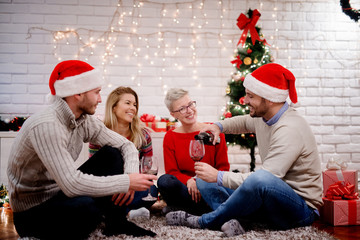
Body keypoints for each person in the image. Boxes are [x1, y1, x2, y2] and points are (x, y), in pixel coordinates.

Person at [166, 63, 323, 237]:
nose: (245, 100)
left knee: (260, 177)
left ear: (269, 98)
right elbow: (242, 122)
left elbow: (267, 178)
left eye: (250, 96)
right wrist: (218, 126)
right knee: (203, 180)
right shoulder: (265, 116)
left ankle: (204, 221)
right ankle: (233, 222)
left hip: (299, 210)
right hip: (270, 202)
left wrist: (218, 176)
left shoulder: (289, 128)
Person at [6, 60, 157, 240]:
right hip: (32, 212)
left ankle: (116, 223)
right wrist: (125, 182)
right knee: (87, 208)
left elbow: (126, 145)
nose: (101, 99)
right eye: (97, 92)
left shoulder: (83, 120)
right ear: (77, 93)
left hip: (58, 194)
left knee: (112, 153)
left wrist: (130, 174)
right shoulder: (47, 125)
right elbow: (71, 184)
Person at [157, 88, 232, 216]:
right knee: (164, 181)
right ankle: (200, 210)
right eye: (182, 108)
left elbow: (223, 167)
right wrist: (189, 181)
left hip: (210, 186)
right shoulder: (170, 136)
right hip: (185, 189)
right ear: (173, 114)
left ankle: (184, 209)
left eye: (190, 104)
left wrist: (201, 182)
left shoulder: (213, 131)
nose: (190, 110)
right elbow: (172, 172)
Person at [89, 86, 158, 218]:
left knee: (152, 191)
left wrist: (131, 183)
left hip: (133, 188)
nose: (133, 108)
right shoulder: (98, 134)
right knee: (91, 195)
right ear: (113, 107)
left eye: (135, 105)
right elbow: (95, 171)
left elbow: (147, 169)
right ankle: (127, 212)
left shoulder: (143, 135)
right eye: (127, 103)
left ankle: (111, 211)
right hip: (108, 186)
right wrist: (118, 184)